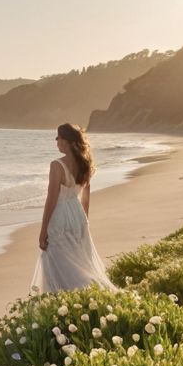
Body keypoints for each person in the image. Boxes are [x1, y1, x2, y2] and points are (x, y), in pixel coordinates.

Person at [31, 123, 115, 293]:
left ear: (66, 141)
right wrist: (85, 220)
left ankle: (66, 298)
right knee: (80, 260)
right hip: (78, 215)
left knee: (59, 262)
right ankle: (87, 296)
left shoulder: (57, 165)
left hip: (61, 215)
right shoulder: (85, 164)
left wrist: (43, 231)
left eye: (58, 138)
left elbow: (52, 199)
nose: (56, 142)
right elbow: (86, 196)